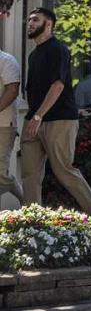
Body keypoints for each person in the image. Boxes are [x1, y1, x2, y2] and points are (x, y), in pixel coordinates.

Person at [20, 8, 91, 216]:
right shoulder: (33, 55)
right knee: (29, 173)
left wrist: (38, 116)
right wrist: (34, 117)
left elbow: (57, 86)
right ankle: (32, 218)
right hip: (34, 120)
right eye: (29, 20)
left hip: (59, 119)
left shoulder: (58, 49)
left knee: (63, 169)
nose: (30, 24)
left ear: (48, 24)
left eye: (35, 20)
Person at [0, 40, 21, 207]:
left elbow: (13, 90)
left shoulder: (6, 60)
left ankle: (26, 200)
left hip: (4, 125)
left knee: (0, 174)